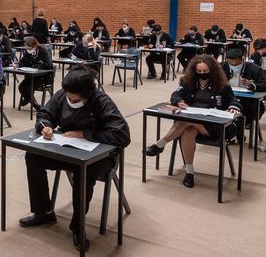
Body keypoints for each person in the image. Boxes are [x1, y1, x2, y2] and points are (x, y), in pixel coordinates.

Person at [19, 65, 130, 252]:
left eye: (74, 98)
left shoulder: (101, 101)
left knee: (83, 170)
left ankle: (78, 225)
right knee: (33, 156)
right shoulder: (63, 94)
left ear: (87, 94)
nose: (70, 100)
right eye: (68, 96)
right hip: (66, 149)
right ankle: (44, 211)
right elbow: (45, 113)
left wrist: (84, 133)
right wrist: (44, 126)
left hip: (98, 156)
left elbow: (121, 135)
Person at [143, 55, 241, 188]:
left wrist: (233, 107)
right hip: (192, 123)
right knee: (187, 131)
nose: (201, 74)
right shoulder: (188, 82)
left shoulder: (222, 85)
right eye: (198, 71)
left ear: (212, 70)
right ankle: (189, 172)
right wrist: (179, 101)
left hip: (214, 126)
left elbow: (233, 100)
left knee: (184, 121)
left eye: (205, 71)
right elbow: (176, 95)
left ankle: (160, 144)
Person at [222, 49, 266, 126]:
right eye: (230, 64)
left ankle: (238, 129)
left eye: (236, 64)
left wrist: (252, 85)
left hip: (247, 101)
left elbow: (264, 83)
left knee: (247, 111)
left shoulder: (255, 69)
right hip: (228, 99)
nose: (233, 66)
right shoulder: (221, 66)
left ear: (242, 60)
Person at [15, 37, 53, 110]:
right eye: (27, 48)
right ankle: (32, 102)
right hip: (32, 76)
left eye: (29, 48)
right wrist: (17, 65)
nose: (28, 50)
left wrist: (33, 65)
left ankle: (33, 104)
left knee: (27, 88)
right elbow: (23, 61)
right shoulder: (28, 52)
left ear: (35, 46)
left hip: (44, 77)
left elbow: (48, 65)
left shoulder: (44, 51)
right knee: (21, 87)